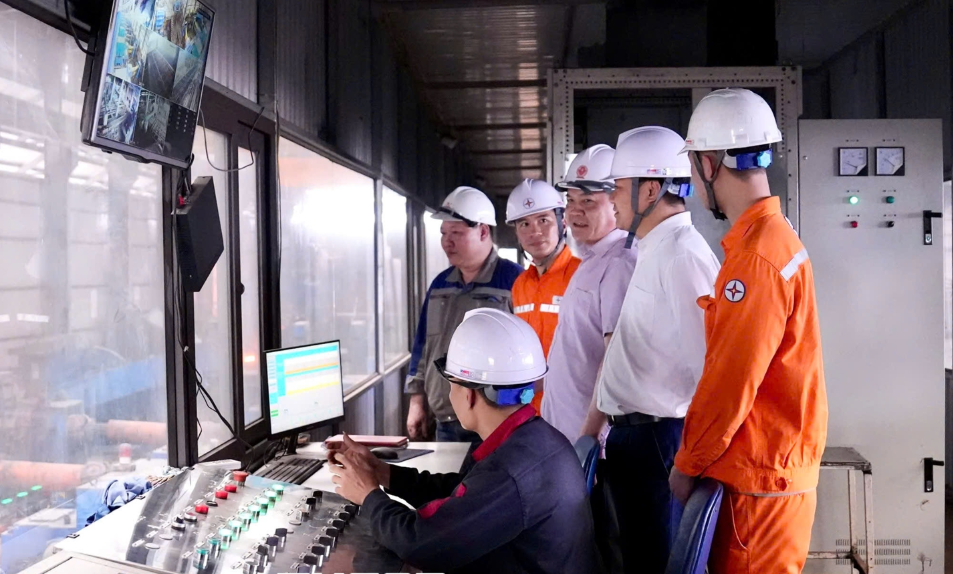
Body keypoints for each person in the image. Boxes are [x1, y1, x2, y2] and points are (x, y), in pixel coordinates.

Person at [669, 88, 828, 574]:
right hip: (769, 474)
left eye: (693, 166)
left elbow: (731, 381)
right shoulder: (772, 239)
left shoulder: (755, 258)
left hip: (759, 484)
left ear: (708, 163)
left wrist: (687, 463)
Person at [330, 309, 600, 574]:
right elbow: (462, 496)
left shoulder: (509, 471)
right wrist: (381, 472)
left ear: (469, 395)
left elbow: (422, 545)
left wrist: (368, 496)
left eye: (451, 385)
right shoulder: (536, 440)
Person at [581, 126, 721, 574]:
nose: (612, 199)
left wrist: (689, 460)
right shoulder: (655, 248)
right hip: (636, 439)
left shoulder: (681, 255)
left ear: (650, 190)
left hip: (659, 441)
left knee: (657, 564)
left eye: (618, 187)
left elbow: (710, 373)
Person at [405, 186, 523, 443]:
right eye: (443, 233)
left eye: (456, 233)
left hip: (495, 422)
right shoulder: (440, 285)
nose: (447, 242)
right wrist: (416, 401)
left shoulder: (514, 281)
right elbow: (423, 346)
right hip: (445, 421)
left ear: (483, 231)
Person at [543, 145, 636, 443]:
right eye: (570, 200)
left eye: (588, 201)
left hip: (590, 441)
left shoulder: (619, 262)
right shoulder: (593, 259)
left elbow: (614, 358)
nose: (574, 211)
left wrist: (589, 436)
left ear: (615, 202)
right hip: (567, 434)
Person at [506, 178, 580, 413]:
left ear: (562, 222)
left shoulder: (582, 276)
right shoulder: (520, 285)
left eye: (543, 220)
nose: (535, 232)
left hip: (573, 412)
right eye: (524, 224)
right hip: (528, 412)